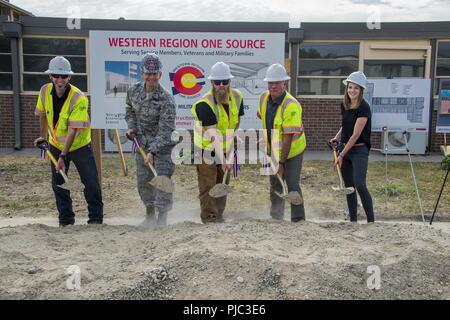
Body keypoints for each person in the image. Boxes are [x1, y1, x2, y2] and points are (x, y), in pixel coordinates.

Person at [33, 56, 103, 227]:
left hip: (79, 146)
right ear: (50, 76)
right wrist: (43, 137)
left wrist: (62, 157)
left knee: (91, 183)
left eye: (63, 76)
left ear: (69, 78)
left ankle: (95, 219)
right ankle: (66, 220)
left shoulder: (79, 98)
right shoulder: (44, 91)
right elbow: (41, 113)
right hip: (56, 145)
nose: (59, 80)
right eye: (56, 75)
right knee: (58, 184)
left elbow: (73, 130)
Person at [125, 53, 176, 228]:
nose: (151, 77)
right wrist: (131, 127)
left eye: (154, 74)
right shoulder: (133, 92)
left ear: (160, 75)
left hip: (162, 148)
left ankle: (162, 220)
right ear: (142, 73)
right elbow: (129, 110)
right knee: (143, 182)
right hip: (141, 145)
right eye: (148, 73)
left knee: (162, 181)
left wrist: (153, 151)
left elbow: (166, 130)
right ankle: (149, 216)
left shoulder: (167, 99)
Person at [191, 62, 244, 223]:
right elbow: (213, 135)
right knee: (209, 184)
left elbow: (236, 121)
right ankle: (209, 217)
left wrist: (234, 135)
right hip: (206, 148)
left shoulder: (237, 96)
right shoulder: (204, 104)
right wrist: (223, 160)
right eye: (217, 82)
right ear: (211, 83)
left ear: (230, 81)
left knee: (222, 183)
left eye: (225, 82)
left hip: (225, 146)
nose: (221, 86)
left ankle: (219, 215)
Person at [257, 63, 306, 222]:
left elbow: (288, 137)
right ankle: (276, 216)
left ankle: (298, 218)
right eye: (270, 82)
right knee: (275, 184)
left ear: (284, 83)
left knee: (291, 184)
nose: (273, 86)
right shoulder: (264, 97)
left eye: (277, 83)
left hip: (292, 151)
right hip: (273, 150)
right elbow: (261, 115)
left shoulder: (291, 105)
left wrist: (282, 163)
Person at [330, 71, 375, 223]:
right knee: (349, 187)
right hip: (345, 148)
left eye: (356, 88)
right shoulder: (345, 104)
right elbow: (346, 126)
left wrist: (341, 155)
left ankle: (371, 221)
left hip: (359, 150)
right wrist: (336, 138)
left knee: (360, 184)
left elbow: (355, 134)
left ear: (361, 90)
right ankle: (353, 220)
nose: (352, 91)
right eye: (350, 87)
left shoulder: (364, 108)